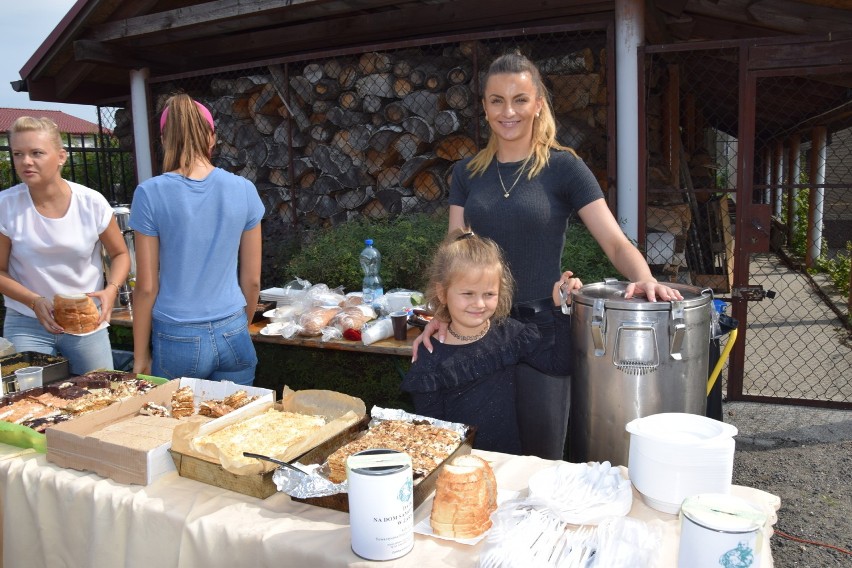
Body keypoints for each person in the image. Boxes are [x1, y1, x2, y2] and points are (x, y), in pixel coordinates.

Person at [414, 52, 683, 460]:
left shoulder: (564, 168)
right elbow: (455, 254)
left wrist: (644, 278)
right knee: (476, 451)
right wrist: (441, 313)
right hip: (479, 330)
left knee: (541, 459)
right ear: (484, 107)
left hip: (544, 333)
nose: (509, 112)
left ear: (538, 103)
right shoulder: (466, 172)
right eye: (497, 100)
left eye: (520, 99)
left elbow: (614, 242)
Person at [401, 229, 580, 454]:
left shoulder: (509, 336)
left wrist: (561, 310)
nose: (479, 304)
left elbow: (560, 365)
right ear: (442, 293)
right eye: (467, 294)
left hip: (506, 461)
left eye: (489, 294)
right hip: (458, 468)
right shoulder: (430, 358)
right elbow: (432, 435)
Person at [130, 94, 264, 385]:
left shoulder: (149, 193)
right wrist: (241, 324)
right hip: (234, 330)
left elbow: (146, 287)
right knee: (236, 426)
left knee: (175, 426)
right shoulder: (244, 189)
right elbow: (252, 280)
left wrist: (140, 355)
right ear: (212, 137)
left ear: (165, 139)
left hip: (177, 335)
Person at [0, 116, 130, 375]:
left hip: (86, 322)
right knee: (26, 403)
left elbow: (120, 254)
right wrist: (34, 301)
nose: (26, 161)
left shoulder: (91, 202)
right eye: (18, 154)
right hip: (27, 322)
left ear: (61, 156)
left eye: (36, 153)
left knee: (101, 396)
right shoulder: (5, 205)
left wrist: (111, 290)